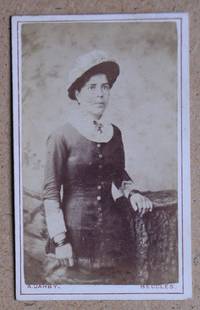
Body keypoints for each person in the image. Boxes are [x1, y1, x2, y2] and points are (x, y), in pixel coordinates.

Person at [43, 50, 153, 282]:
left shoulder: (115, 134)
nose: (100, 94)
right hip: (75, 237)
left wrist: (132, 192)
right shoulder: (61, 136)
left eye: (105, 87)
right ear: (78, 93)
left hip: (115, 236)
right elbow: (51, 193)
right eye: (92, 87)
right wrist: (60, 240)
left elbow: (118, 174)